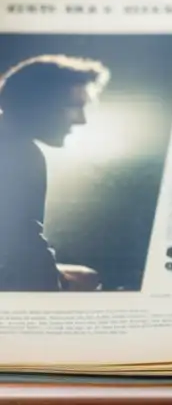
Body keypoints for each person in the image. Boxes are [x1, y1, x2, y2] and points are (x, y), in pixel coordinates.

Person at [0, 54, 110, 291]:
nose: (82, 120)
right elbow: (23, 250)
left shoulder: (13, 143)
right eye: (73, 106)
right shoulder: (20, 153)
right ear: (37, 104)